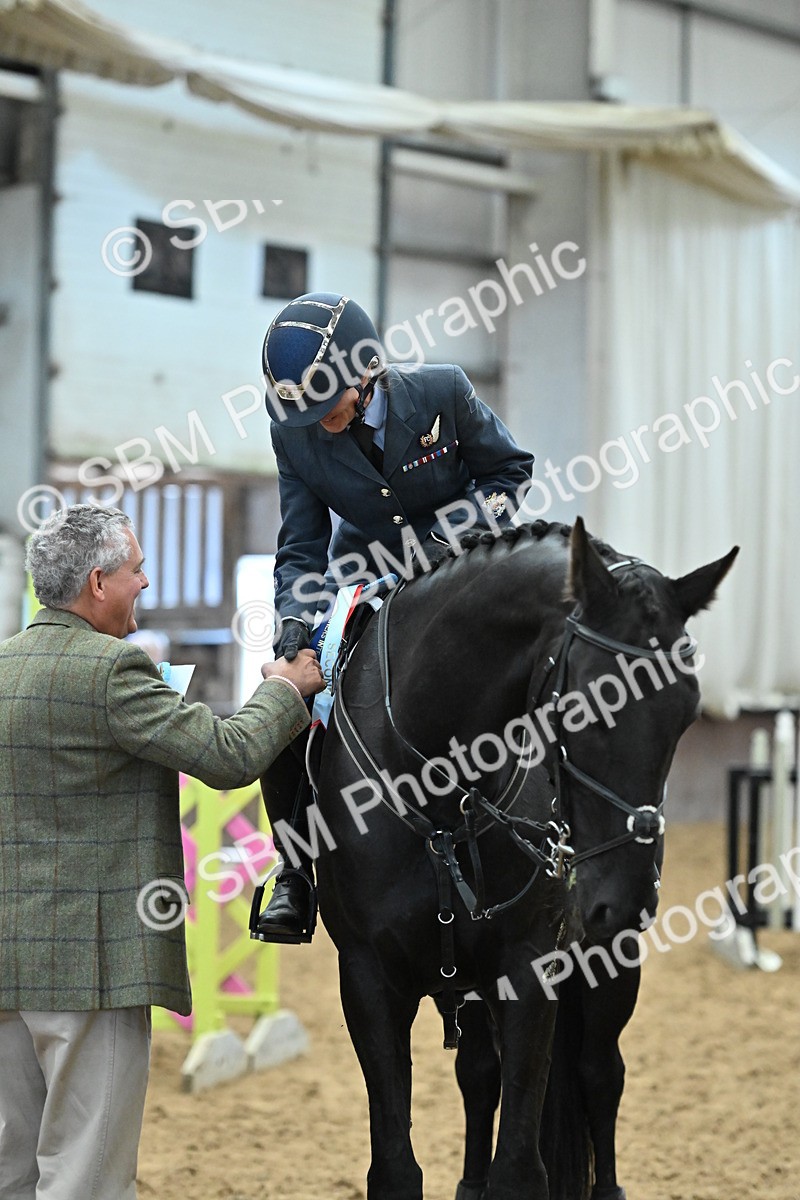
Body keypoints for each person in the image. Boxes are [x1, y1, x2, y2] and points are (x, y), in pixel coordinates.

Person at [0, 503, 324, 1200]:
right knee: (85, 1177)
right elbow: (229, 755)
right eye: (136, 570)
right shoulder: (113, 669)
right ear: (97, 583)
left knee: (10, 1172)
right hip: (92, 968)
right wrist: (283, 689)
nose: (144, 582)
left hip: (7, 962)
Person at [252, 291, 534, 944]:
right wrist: (292, 623)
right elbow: (301, 544)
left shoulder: (443, 392)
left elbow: (509, 473)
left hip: (463, 568)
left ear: (365, 370)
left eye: (328, 404)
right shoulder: (292, 432)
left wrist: (444, 540)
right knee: (288, 698)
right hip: (364, 580)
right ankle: (295, 872)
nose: (320, 423)